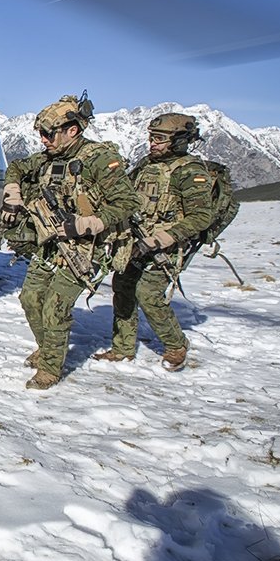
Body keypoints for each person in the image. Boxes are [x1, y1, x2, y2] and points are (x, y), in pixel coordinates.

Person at [1, 94, 140, 390]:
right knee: (30, 298)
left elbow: (128, 202)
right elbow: (16, 169)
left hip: (87, 248)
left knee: (55, 305)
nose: (43, 140)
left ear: (72, 130)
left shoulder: (100, 159)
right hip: (52, 243)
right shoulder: (49, 158)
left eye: (49, 134)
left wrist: (86, 223)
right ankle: (48, 348)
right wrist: (12, 198)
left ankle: (51, 368)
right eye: (40, 133)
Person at [93, 113, 214, 371]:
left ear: (179, 141)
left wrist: (160, 239)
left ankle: (176, 344)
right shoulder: (147, 164)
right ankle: (122, 348)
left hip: (167, 247)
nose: (153, 144)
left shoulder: (189, 171)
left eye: (159, 139)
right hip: (136, 240)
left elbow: (201, 216)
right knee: (122, 287)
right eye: (151, 138)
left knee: (147, 294)